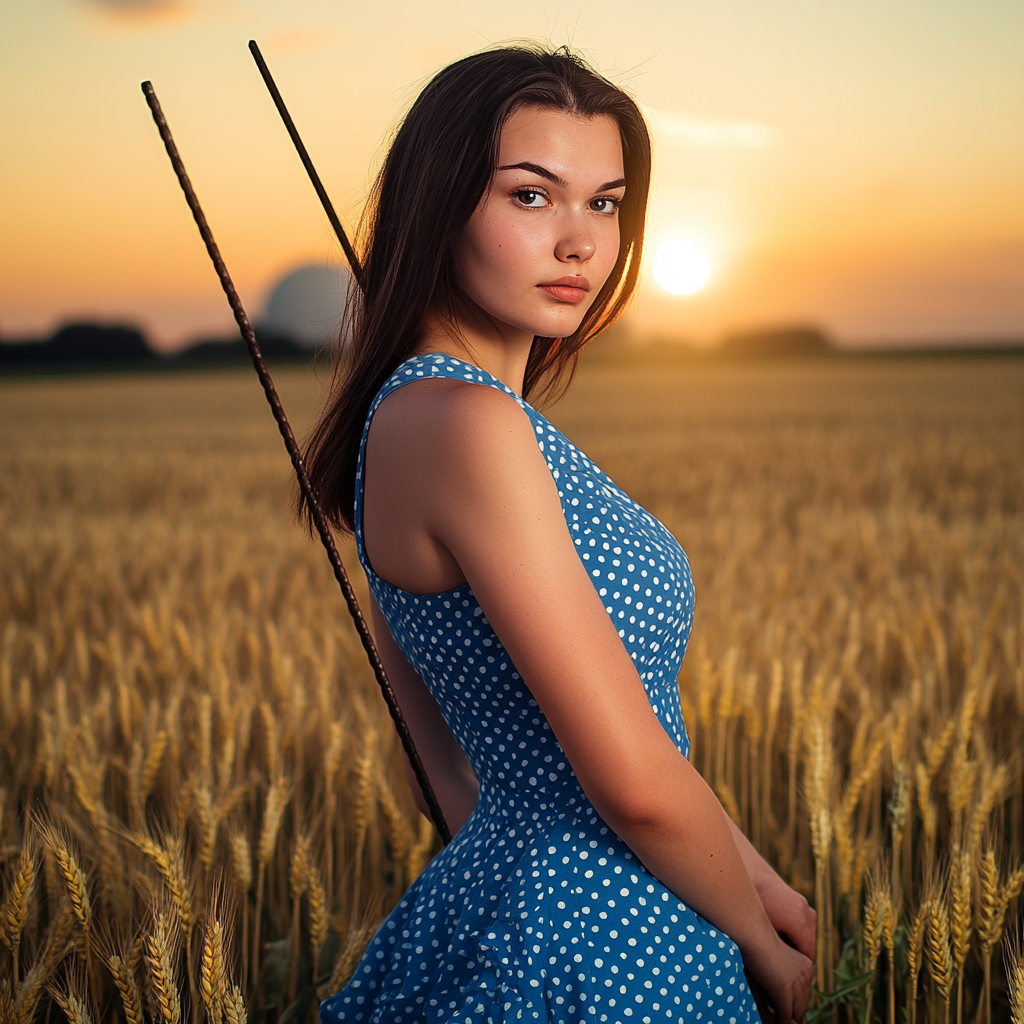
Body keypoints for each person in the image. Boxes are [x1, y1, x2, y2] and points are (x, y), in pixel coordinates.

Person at [305, 44, 816, 1024]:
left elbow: (444, 779)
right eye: (532, 197)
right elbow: (632, 781)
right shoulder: (469, 425)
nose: (580, 241)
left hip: (527, 915)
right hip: (606, 946)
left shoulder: (417, 421)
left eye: (606, 202)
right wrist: (759, 942)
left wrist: (761, 884)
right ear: (439, 205)